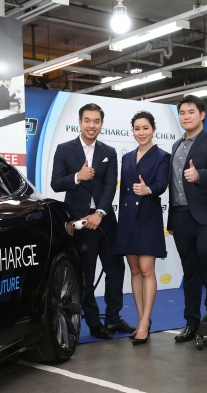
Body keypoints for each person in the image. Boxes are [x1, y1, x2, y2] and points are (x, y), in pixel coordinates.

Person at [51, 103, 134, 339]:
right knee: (86, 274)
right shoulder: (64, 149)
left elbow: (110, 185)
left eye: (96, 121)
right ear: (79, 122)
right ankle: (94, 322)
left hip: (105, 221)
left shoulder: (109, 151)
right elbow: (56, 183)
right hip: (79, 223)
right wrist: (77, 176)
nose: (91, 125)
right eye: (87, 120)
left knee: (115, 270)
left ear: (101, 124)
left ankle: (113, 319)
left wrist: (100, 213)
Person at [167, 95, 207, 343]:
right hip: (180, 216)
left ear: (202, 115)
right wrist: (171, 220)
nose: (186, 116)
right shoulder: (175, 146)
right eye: (182, 113)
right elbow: (173, 185)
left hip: (206, 214)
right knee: (189, 269)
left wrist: (199, 175)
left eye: (191, 112)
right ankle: (191, 322)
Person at [113, 111, 170, 345]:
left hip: (148, 215)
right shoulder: (126, 157)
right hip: (128, 217)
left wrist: (149, 190)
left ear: (153, 129)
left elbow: (162, 184)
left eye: (145, 128)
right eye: (137, 128)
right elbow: (122, 193)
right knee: (134, 269)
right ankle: (140, 320)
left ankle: (145, 322)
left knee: (147, 269)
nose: (141, 132)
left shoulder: (162, 156)